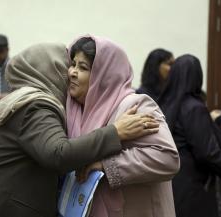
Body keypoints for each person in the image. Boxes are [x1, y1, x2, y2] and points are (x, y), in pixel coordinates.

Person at [0, 43, 159, 217]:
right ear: (50, 70)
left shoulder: (20, 100)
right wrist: (115, 132)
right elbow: (58, 154)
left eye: (80, 67)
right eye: (68, 66)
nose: (71, 73)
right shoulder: (35, 105)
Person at [66, 36, 179, 217]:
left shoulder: (136, 105)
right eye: (73, 64)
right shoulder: (75, 112)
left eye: (83, 67)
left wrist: (106, 165)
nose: (72, 72)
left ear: (104, 76)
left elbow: (167, 157)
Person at [158, 54, 221, 217]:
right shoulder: (193, 107)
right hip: (193, 187)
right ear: (198, 76)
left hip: (168, 184)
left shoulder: (163, 104)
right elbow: (208, 153)